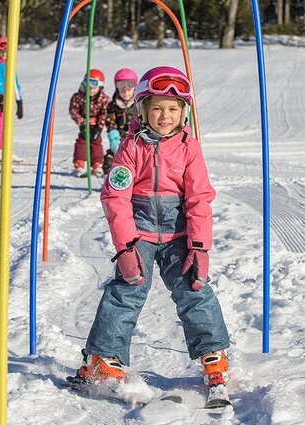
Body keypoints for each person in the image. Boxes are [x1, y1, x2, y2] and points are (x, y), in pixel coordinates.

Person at [73, 67, 230, 397]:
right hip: (139, 232)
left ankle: (213, 355)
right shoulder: (131, 148)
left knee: (194, 289)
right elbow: (115, 196)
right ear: (143, 109)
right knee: (126, 290)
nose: (165, 115)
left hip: (179, 234)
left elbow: (199, 197)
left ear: (183, 112)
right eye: (157, 107)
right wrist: (127, 247)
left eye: (173, 109)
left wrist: (199, 247)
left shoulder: (189, 148)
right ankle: (104, 359)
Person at [68, 69, 110, 177]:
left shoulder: (104, 99)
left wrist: (99, 127)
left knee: (96, 142)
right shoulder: (78, 97)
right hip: (85, 124)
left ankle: (97, 164)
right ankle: (79, 163)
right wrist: (81, 123)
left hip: (96, 125)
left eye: (94, 88)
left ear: (100, 87)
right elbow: (73, 111)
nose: (90, 90)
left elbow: (105, 113)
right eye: (88, 87)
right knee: (82, 142)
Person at [102, 68, 139, 175]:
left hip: (136, 142)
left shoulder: (139, 105)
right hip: (119, 141)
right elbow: (110, 122)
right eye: (122, 89)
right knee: (109, 161)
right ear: (116, 87)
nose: (126, 92)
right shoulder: (113, 105)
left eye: (129, 89)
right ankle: (110, 184)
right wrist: (114, 138)